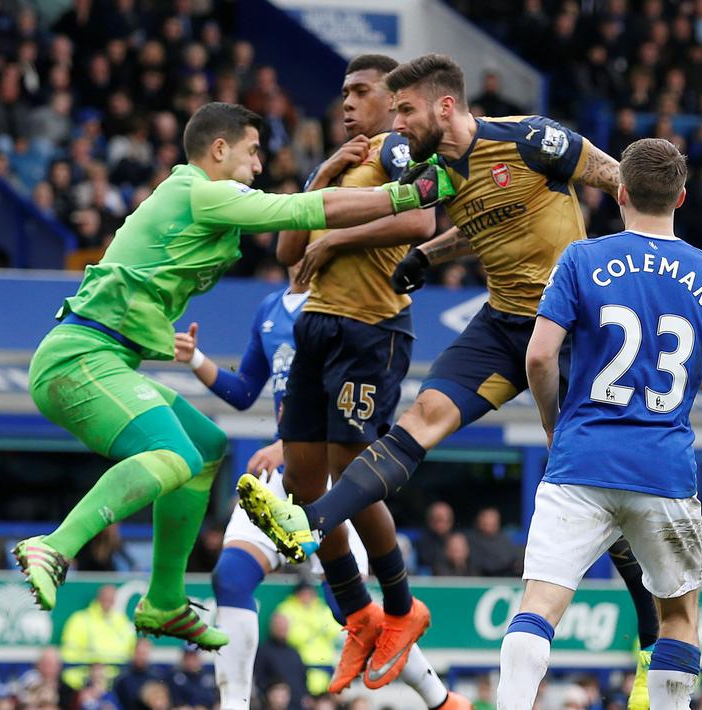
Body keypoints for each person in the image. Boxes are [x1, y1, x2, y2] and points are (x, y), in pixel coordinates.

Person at [237, 53, 662, 697]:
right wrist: (425, 254)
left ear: (443, 106)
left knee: (599, 486)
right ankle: (315, 521)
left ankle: (652, 638)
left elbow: (620, 179)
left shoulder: (531, 138)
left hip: (577, 330)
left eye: (404, 110)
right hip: (504, 326)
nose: (396, 123)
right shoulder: (437, 171)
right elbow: (446, 214)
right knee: (421, 419)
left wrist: (634, 268)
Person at [12, 101, 451, 648]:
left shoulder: (195, 198)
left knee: (207, 445)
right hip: (78, 359)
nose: (259, 167)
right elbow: (299, 211)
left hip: (102, 357)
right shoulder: (202, 191)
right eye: (252, 153)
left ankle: (166, 601)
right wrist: (405, 194)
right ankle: (56, 546)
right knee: (171, 457)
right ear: (219, 150)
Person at [493, 138, 702, 710]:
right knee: (678, 616)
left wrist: (554, 425)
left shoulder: (582, 259)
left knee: (538, 605)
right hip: (663, 470)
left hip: (581, 460)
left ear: (619, 192)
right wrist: (693, 376)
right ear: (682, 197)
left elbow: (540, 357)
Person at [272, 54, 461, 696]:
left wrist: (336, 238)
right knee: (301, 483)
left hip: (370, 329)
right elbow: (286, 249)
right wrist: (320, 177)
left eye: (361, 91)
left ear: (393, 97)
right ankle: (358, 614)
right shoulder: (347, 158)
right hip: (318, 325)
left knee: (354, 470)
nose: (347, 102)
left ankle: (404, 608)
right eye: (344, 92)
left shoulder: (400, 150)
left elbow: (420, 222)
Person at [173, 276, 451, 708]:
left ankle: (439, 699)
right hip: (278, 478)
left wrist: (286, 443)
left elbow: (345, 402)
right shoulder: (270, 307)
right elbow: (245, 391)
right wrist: (195, 360)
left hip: (328, 478)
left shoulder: (343, 300)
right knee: (230, 577)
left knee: (348, 608)